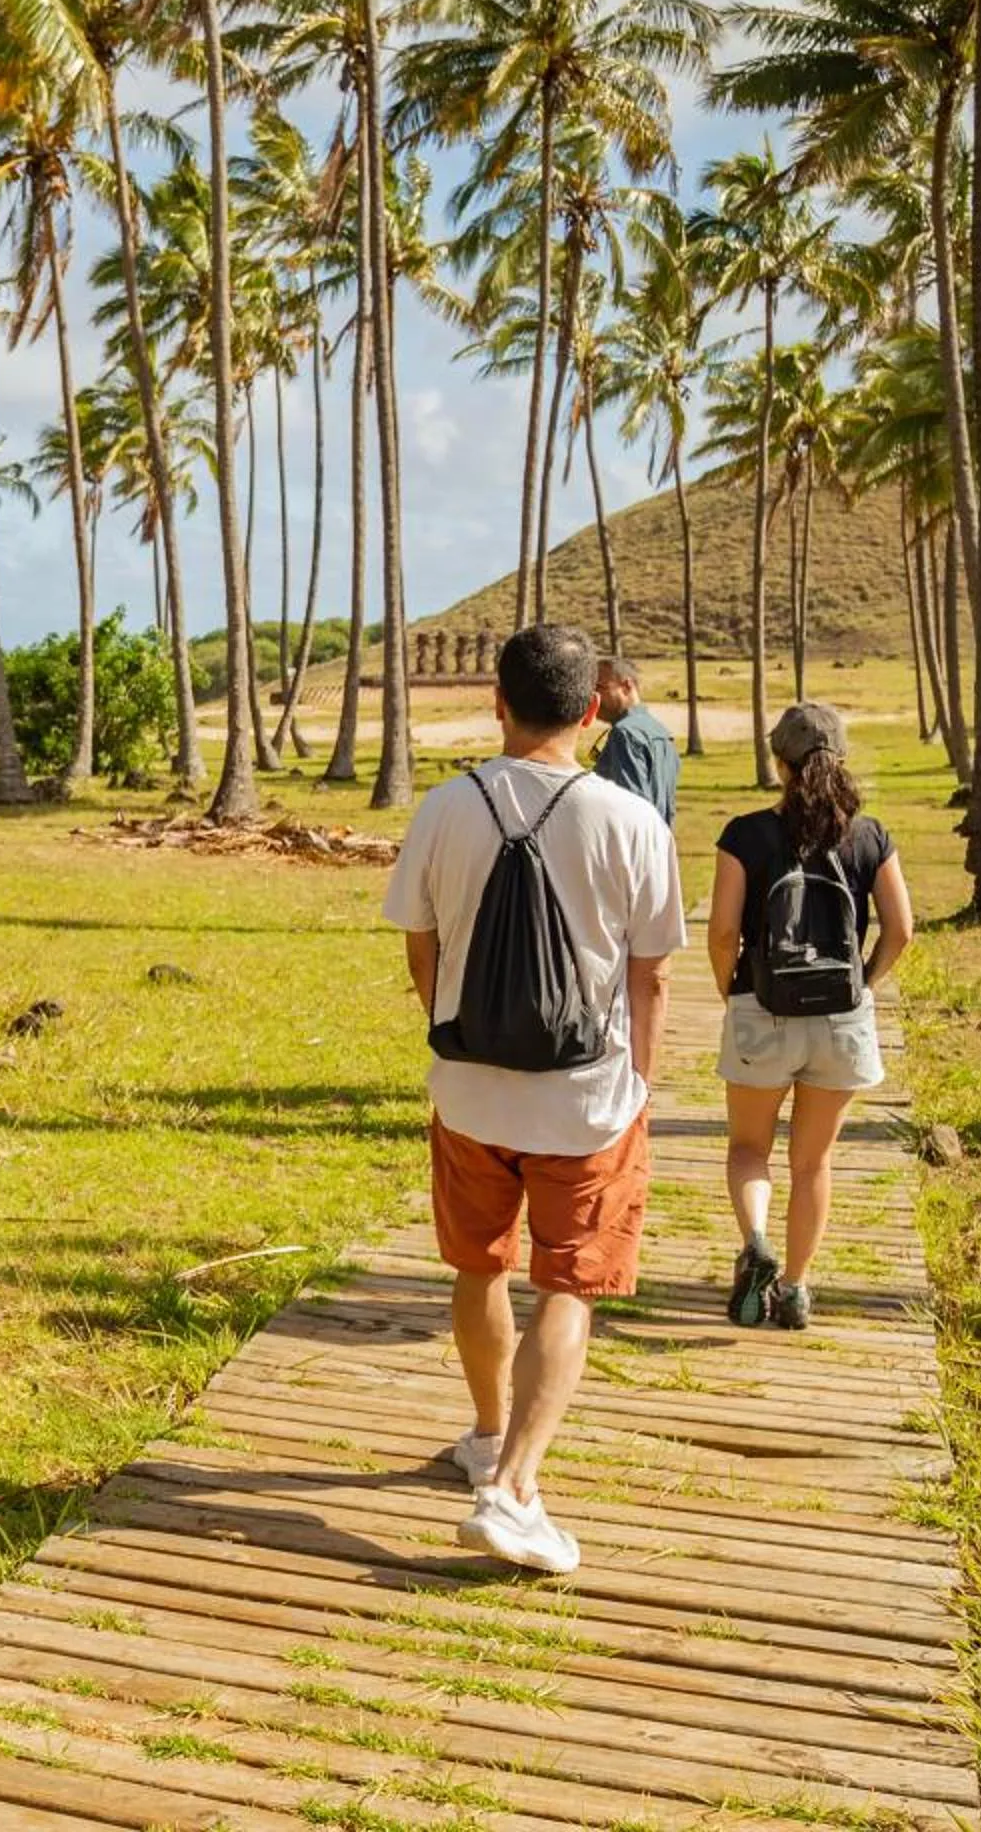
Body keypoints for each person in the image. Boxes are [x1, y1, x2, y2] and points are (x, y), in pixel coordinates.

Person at [382, 624, 684, 1575]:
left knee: (479, 1267)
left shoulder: (444, 807)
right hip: (587, 1099)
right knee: (568, 1283)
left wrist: (456, 1025)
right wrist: (642, 1081)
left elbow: (420, 949)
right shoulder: (632, 821)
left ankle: (483, 1432)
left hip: (470, 1091)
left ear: (497, 704)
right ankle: (512, 1487)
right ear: (592, 711)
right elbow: (652, 977)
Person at [709, 702, 914, 1332]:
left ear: (780, 763)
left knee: (749, 1148)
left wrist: (732, 990)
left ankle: (758, 1242)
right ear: (840, 760)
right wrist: (862, 985)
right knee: (813, 1162)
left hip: (761, 1009)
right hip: (842, 1019)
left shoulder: (744, 834)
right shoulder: (870, 835)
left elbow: (722, 932)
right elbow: (902, 930)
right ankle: (796, 1286)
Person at [591, 655, 681, 826]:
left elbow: (631, 807)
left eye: (599, 688)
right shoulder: (661, 732)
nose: (593, 697)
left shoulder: (624, 733)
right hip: (659, 844)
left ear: (627, 686)